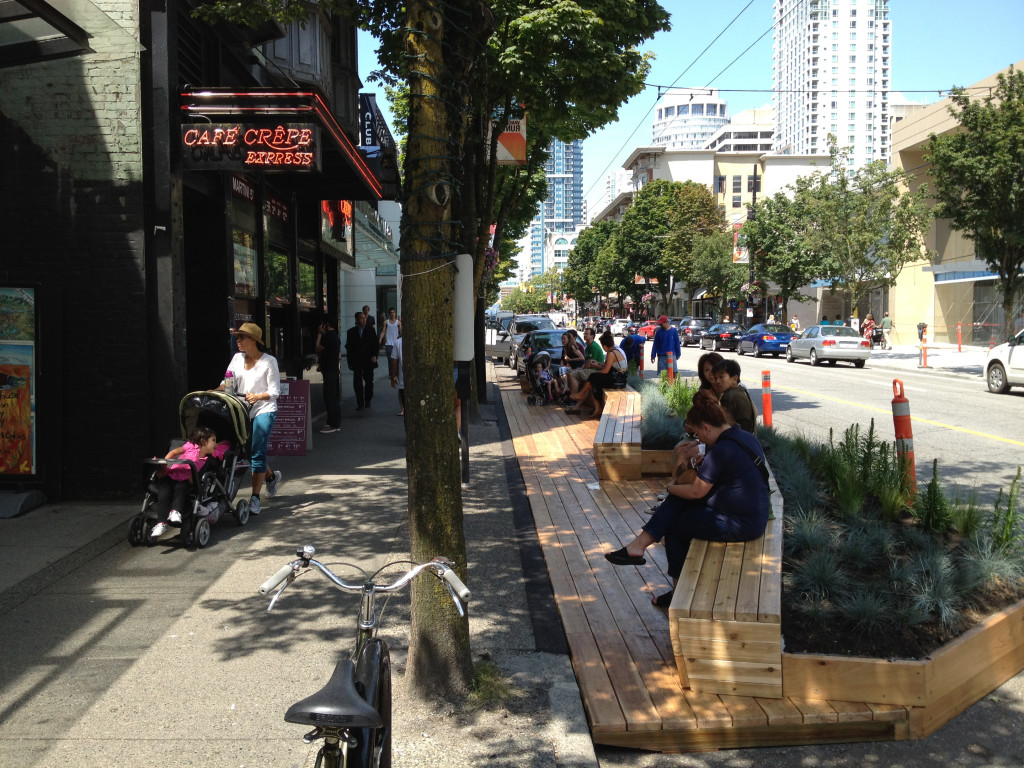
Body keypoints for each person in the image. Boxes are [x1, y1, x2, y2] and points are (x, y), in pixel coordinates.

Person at [603, 391, 770, 608]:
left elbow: (696, 492)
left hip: (741, 522)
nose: (698, 440)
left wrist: (671, 487)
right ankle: (639, 547)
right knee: (678, 505)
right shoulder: (745, 437)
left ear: (707, 427)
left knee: (675, 527)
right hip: (752, 511)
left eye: (698, 434)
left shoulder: (720, 451)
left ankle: (677, 593)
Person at [224, 323, 282, 516]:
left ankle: (255, 498)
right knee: (247, 453)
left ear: (254, 341)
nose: (238, 341)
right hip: (241, 409)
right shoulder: (236, 359)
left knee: (257, 452)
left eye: (242, 337)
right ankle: (271, 478)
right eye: (237, 338)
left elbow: (275, 392)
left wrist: (258, 396)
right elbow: (227, 384)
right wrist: (213, 391)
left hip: (263, 409)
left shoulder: (269, 361)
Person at [150, 426, 228, 539]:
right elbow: (174, 452)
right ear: (203, 441)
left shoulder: (208, 459)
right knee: (163, 492)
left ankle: (175, 511)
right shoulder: (190, 446)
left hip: (188, 480)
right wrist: (164, 463)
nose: (215, 444)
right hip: (173, 474)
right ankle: (161, 523)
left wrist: (190, 476)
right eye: (213, 440)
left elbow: (197, 478)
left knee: (180, 487)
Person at [567, 331, 627, 418]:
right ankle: (596, 407)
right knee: (594, 380)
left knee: (593, 377)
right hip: (620, 378)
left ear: (604, 346)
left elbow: (606, 370)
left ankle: (583, 396)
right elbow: (607, 365)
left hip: (617, 380)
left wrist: (596, 372)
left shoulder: (611, 354)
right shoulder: (616, 351)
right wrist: (597, 363)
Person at [712, 358, 757, 434]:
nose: (717, 381)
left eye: (721, 377)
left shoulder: (730, 396)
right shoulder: (741, 391)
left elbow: (744, 423)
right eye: (715, 378)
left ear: (734, 379)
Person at [345, 310, 379, 410]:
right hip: (357, 361)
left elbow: (375, 345)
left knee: (369, 381)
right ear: (356, 319)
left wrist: (374, 355)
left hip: (368, 360)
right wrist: (349, 362)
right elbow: (349, 348)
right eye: (361, 318)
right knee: (357, 382)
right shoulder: (351, 332)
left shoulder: (370, 330)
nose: (364, 320)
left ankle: (368, 399)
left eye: (364, 318)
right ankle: (360, 402)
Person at [315, 317, 341, 433]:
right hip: (333, 369)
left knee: (329, 397)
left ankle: (333, 424)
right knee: (333, 397)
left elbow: (317, 347)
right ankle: (334, 422)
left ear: (326, 325)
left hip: (329, 370)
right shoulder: (335, 336)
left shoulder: (328, 336)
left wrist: (320, 334)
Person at [567, 327, 605, 396]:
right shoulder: (588, 346)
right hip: (590, 369)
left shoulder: (593, 347)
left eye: (587, 334)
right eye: (584, 333)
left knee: (572, 375)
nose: (584, 335)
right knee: (569, 372)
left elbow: (591, 363)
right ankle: (571, 394)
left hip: (595, 370)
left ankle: (574, 397)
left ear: (592, 336)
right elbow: (586, 361)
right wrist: (582, 368)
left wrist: (582, 368)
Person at [389, 332, 404, 416]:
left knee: (402, 391)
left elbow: (394, 362)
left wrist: (393, 377)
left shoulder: (398, 342)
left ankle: (403, 409)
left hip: (403, 378)